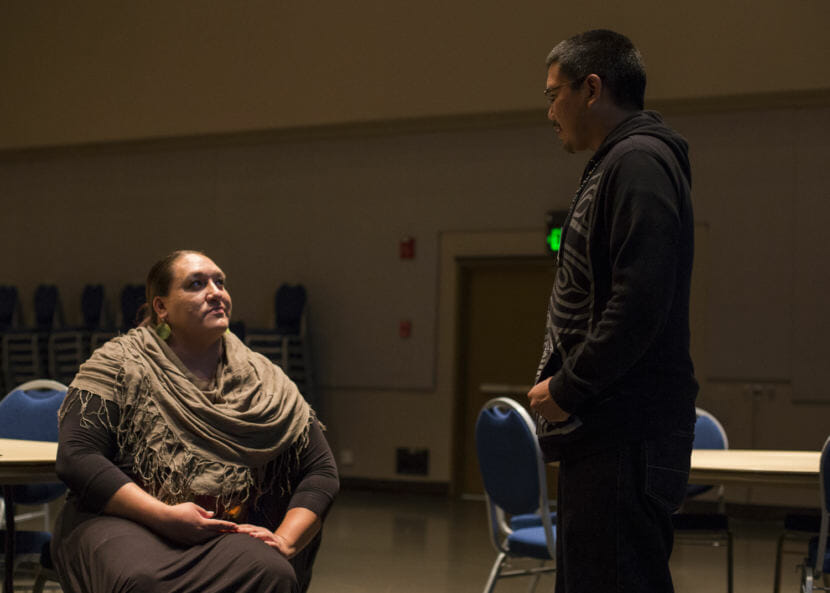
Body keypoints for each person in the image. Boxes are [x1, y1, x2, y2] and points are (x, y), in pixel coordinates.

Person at [52, 250, 338, 593]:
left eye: (220, 282)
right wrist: (163, 516)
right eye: (196, 284)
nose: (216, 292)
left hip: (216, 529)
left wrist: (286, 541)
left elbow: (321, 470)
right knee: (143, 581)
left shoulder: (264, 379)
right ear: (161, 307)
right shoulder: (120, 364)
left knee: (270, 570)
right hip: (119, 520)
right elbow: (77, 456)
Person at [526, 30, 698, 592]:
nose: (549, 111)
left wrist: (568, 388)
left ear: (591, 88)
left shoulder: (640, 161)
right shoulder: (616, 162)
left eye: (554, 95)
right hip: (605, 431)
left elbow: (639, 302)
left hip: (625, 430)